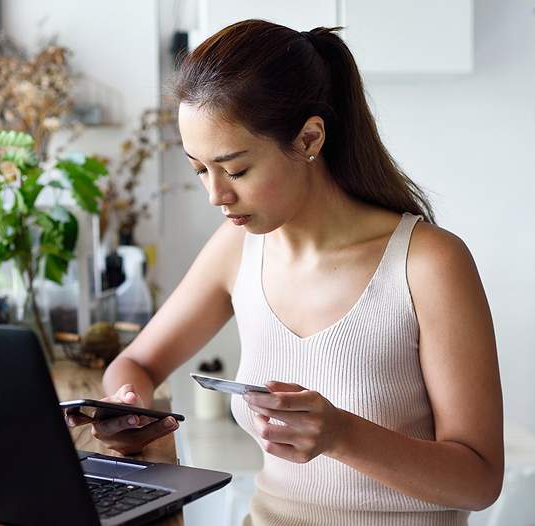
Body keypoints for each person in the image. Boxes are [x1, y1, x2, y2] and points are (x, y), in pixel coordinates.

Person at [66, 19, 503, 525]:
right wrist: (130, 408)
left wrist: (342, 435)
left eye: (237, 170)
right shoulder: (238, 249)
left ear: (309, 138)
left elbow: (479, 480)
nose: (216, 195)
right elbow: (135, 364)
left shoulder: (428, 263)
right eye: (199, 169)